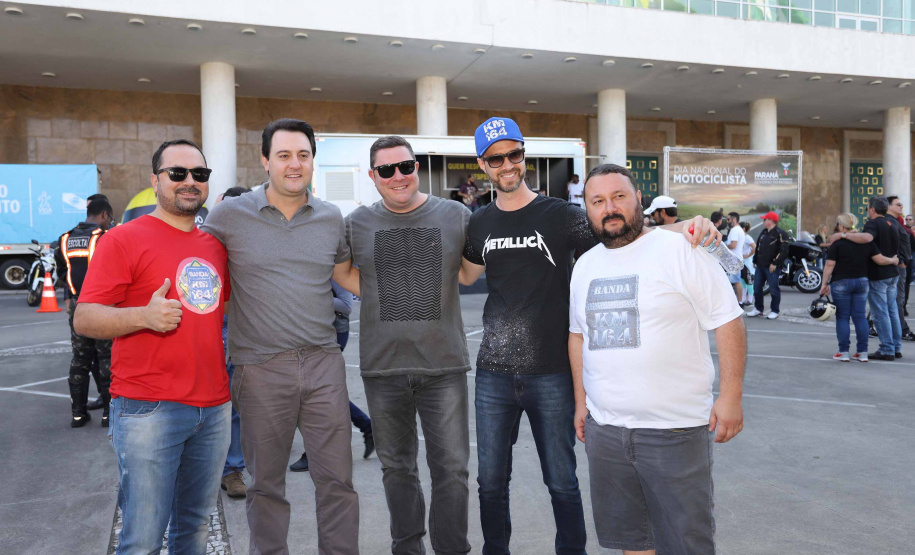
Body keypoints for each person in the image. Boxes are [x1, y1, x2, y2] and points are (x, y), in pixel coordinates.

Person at [458, 117, 721, 555]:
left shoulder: (560, 216)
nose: (507, 164)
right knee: (489, 482)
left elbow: (621, 232)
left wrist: (686, 227)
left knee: (561, 480)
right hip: (493, 374)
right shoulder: (479, 223)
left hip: (552, 372)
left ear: (524, 155)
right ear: (482, 165)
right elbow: (464, 274)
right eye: (495, 158)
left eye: (514, 154)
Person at [201, 118, 360, 555]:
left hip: (325, 363)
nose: (295, 165)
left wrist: (414, 291)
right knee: (266, 486)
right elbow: (195, 265)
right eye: (285, 155)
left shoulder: (331, 217)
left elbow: (345, 274)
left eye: (303, 155)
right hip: (260, 368)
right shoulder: (231, 214)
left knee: (338, 483)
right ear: (265, 160)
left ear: (313, 161)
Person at [570, 163, 746, 555]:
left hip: (675, 431)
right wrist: (582, 402)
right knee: (632, 543)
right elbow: (578, 335)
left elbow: (728, 319)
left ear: (639, 201)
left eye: (619, 196)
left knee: (686, 544)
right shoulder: (584, 266)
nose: (609, 207)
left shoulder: (682, 250)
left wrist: (731, 395)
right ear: (587, 210)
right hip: (607, 432)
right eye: (597, 200)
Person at [74, 139, 231, 553]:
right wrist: (143, 317)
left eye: (199, 174)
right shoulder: (123, 240)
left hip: (214, 408)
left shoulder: (214, 246)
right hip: (149, 409)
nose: (189, 182)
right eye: (177, 173)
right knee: (142, 539)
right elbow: (85, 317)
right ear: (155, 180)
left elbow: (222, 309)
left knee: (194, 531)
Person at [344, 135, 474, 554]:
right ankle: (408, 548)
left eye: (406, 166)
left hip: (444, 366)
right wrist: (379, 293)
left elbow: (470, 276)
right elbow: (344, 274)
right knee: (397, 469)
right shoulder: (357, 222)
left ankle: (452, 549)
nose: (398, 176)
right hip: (384, 369)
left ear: (417, 168)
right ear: (373, 176)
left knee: (452, 471)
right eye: (387, 170)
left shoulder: (455, 215)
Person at [290, 280, 374, 472]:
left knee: (314, 392)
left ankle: (314, 452)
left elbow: (346, 305)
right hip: (308, 334)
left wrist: (309, 297)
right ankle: (366, 426)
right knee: (320, 391)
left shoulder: (333, 264)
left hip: (331, 334)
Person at [55, 197, 115, 427]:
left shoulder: (65, 239)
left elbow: (62, 271)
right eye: (109, 218)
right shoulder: (105, 238)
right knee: (106, 359)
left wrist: (72, 293)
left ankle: (78, 414)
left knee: (80, 358)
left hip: (79, 306)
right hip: (103, 306)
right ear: (104, 215)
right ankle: (108, 414)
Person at [212, 186, 251, 499]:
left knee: (237, 407)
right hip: (208, 331)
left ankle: (232, 469)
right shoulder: (205, 242)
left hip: (243, 331)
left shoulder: (255, 244)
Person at [819, 212, 898, 362]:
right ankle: (862, 352)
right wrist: (893, 261)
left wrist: (824, 284)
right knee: (860, 317)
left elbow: (830, 264)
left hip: (841, 282)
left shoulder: (837, 243)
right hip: (862, 282)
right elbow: (880, 260)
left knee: (842, 317)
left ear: (842, 226)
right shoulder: (866, 242)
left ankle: (844, 352)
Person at [746, 212, 789, 319]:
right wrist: (755, 260)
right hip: (760, 266)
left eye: (765, 219)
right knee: (757, 288)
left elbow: (784, 250)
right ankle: (758, 309)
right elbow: (759, 247)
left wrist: (775, 263)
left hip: (772, 267)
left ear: (770, 221)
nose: (764, 221)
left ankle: (775, 310)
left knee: (774, 289)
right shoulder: (764, 232)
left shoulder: (780, 233)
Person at [886, 196, 915, 341]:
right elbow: (893, 244)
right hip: (897, 265)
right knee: (897, 298)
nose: (901, 206)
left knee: (892, 298)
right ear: (889, 206)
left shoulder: (897, 222)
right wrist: (901, 261)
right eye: (898, 204)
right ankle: (902, 330)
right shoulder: (889, 222)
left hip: (902, 265)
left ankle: (872, 323)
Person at [726, 212, 746, 302]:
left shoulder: (734, 230)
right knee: (736, 281)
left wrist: (724, 246)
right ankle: (739, 301)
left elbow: (733, 245)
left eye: (728, 219)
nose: (727, 221)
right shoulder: (739, 229)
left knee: (736, 281)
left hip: (734, 260)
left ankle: (739, 302)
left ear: (734, 219)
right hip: (736, 259)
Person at [740, 221, 756, 307]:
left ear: (743, 228)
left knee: (749, 282)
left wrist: (748, 255)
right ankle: (742, 299)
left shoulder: (747, 238)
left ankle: (750, 300)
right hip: (741, 263)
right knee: (742, 282)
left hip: (747, 264)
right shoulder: (741, 237)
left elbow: (754, 247)